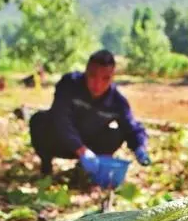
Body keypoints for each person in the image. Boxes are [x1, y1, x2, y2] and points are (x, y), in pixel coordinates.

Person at [29, 49, 151, 177]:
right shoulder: (69, 84)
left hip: (92, 144)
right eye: (93, 76)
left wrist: (140, 148)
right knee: (39, 120)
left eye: (105, 78)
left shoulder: (117, 101)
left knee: (116, 133)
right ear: (86, 71)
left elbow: (132, 127)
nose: (98, 84)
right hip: (62, 141)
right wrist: (80, 150)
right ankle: (46, 167)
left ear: (112, 77)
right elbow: (60, 118)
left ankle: (85, 172)